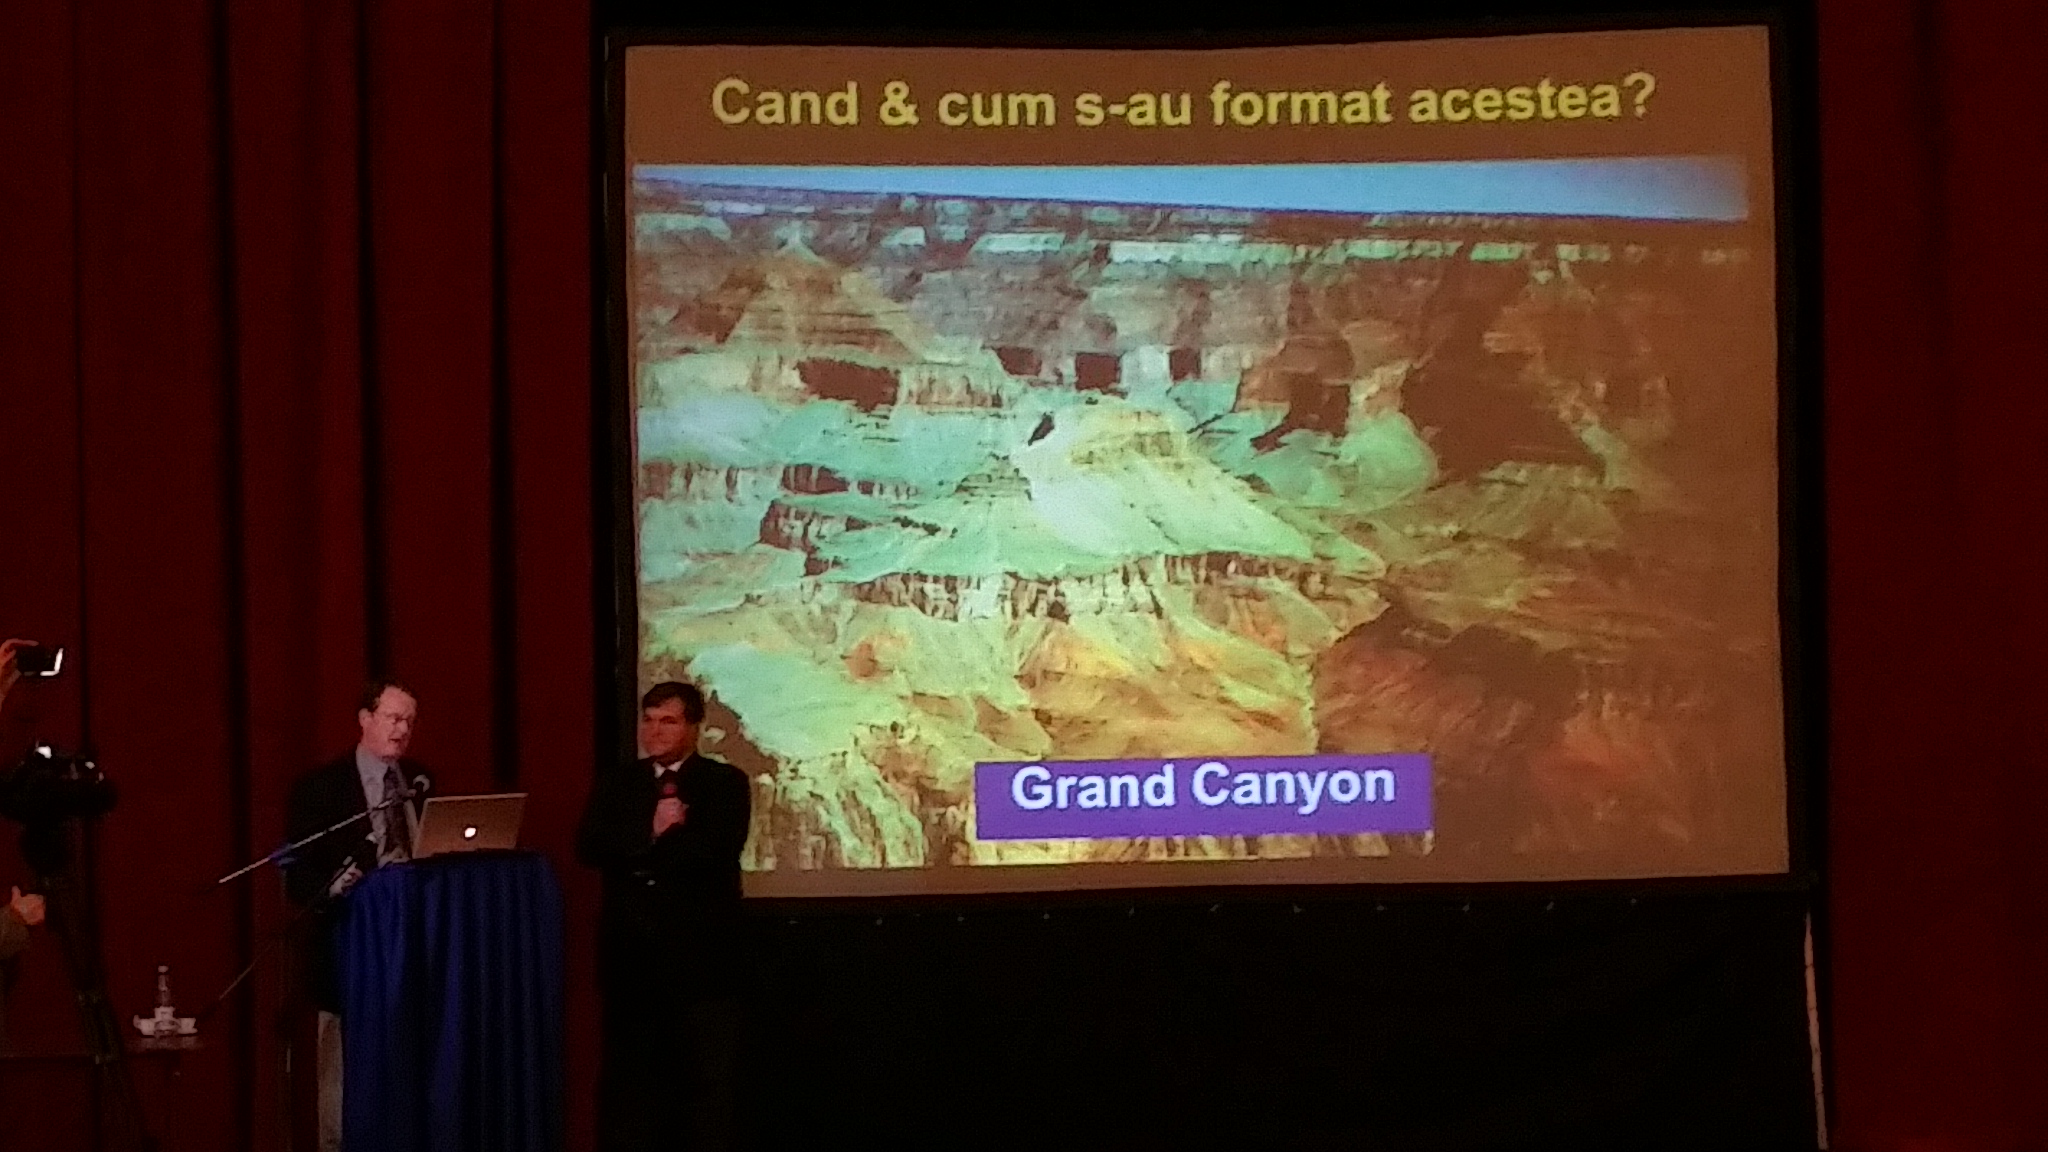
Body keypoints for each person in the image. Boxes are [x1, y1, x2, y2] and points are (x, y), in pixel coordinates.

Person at [578, 681, 753, 1152]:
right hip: (632, 964)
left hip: (702, 965)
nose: (654, 731)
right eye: (649, 720)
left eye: (668, 721)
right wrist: (650, 832)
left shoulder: (724, 784)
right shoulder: (618, 783)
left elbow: (713, 851)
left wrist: (640, 853)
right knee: (631, 1089)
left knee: (708, 1088)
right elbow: (589, 846)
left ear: (694, 727)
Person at [283, 678, 434, 1152]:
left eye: (409, 721)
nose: (402, 730)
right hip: (348, 950)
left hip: (414, 956)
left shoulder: (421, 781)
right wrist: (334, 885)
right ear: (365, 719)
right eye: (393, 718)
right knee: (344, 1080)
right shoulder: (321, 788)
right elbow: (296, 876)